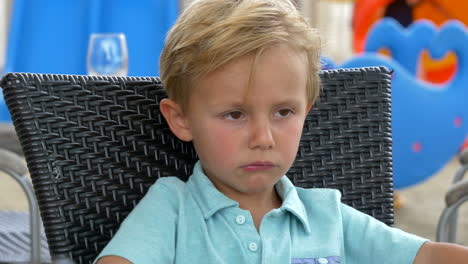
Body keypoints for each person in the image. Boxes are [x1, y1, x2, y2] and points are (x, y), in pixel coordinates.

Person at [95, 0, 468, 263]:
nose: (263, 137)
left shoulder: (328, 216)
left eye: (283, 112)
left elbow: (429, 256)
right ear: (182, 120)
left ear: (306, 112)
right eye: (235, 114)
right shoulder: (172, 211)